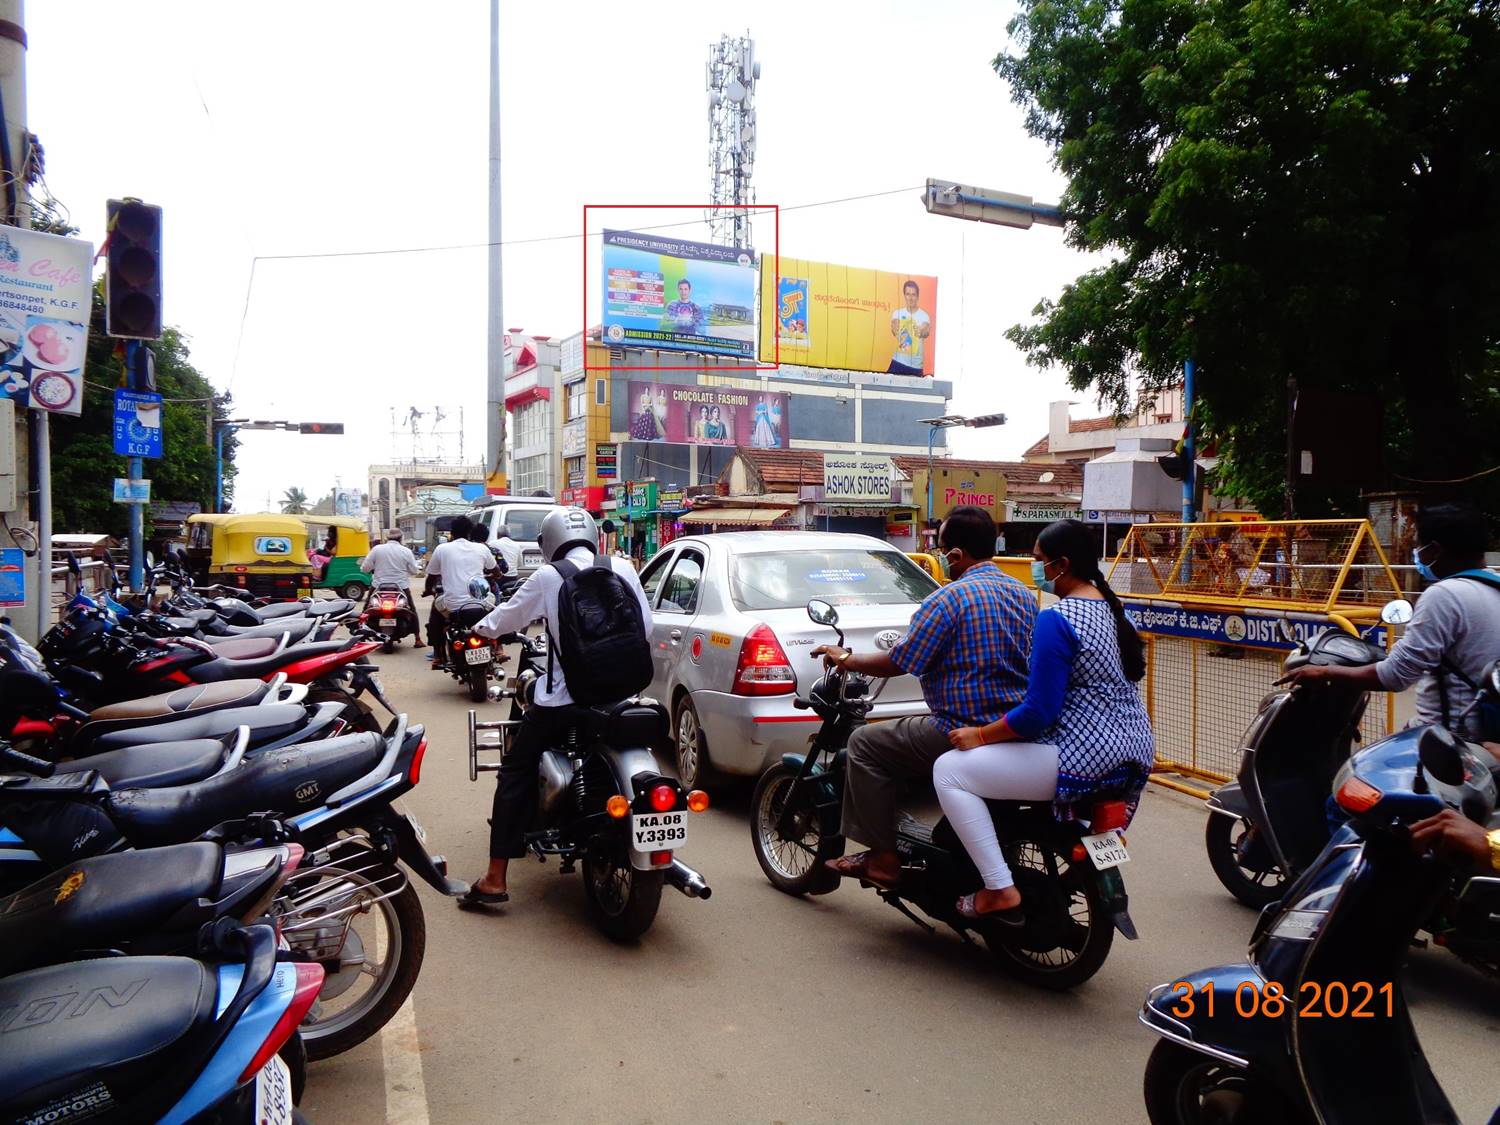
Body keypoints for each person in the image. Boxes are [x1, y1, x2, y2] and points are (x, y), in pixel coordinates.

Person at [933, 519, 1153, 922]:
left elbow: (1038, 712)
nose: (1036, 569)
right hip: (1134, 753)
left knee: (949, 771)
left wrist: (979, 735)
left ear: (1061, 564)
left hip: (1083, 755)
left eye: (1038, 560)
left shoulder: (1058, 618)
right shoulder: (1115, 611)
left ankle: (998, 887)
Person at [811, 505, 1037, 891]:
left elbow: (901, 660)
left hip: (958, 727)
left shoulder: (948, 599)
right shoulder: (1024, 595)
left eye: (940, 548)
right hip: (1012, 727)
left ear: (955, 555)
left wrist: (846, 658)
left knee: (864, 744)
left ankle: (883, 860)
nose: (938, 556)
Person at [460, 507, 654, 905]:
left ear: (548, 543)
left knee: (515, 770)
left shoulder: (549, 576)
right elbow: (646, 627)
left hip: (564, 703)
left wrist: (478, 628)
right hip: (620, 698)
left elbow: (505, 620)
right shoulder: (623, 566)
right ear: (594, 536)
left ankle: (496, 877)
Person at [1278, 503, 1500, 738]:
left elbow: (1396, 675)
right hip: (1491, 735)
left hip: (1447, 740)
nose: (1417, 553)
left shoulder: (1445, 595)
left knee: (1359, 772)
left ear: (1435, 549)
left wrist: (1325, 673)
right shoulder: (1493, 586)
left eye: (1418, 545)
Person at [424, 516, 498, 669]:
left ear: (451, 533)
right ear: (470, 532)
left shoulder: (442, 549)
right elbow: (497, 572)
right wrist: (488, 577)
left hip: (453, 606)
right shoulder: (482, 548)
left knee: (435, 616)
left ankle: (438, 655)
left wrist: (428, 590)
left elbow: (431, 576)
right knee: (497, 612)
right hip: (482, 602)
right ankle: (499, 648)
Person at [360, 528, 421, 634]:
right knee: (411, 610)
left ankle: (360, 632)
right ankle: (417, 638)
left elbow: (365, 568)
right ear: (401, 538)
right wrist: (405, 573)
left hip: (378, 586)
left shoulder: (377, 549)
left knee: (366, 609)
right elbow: (415, 570)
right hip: (401, 586)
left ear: (387, 538)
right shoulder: (406, 551)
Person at [887, 280, 932, 376]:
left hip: (915, 366)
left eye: (913, 295)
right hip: (898, 362)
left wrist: (921, 331)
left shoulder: (924, 316)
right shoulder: (897, 313)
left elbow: (925, 329)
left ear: (917, 296)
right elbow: (894, 327)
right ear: (904, 295)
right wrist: (895, 326)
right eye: (908, 294)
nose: (910, 298)